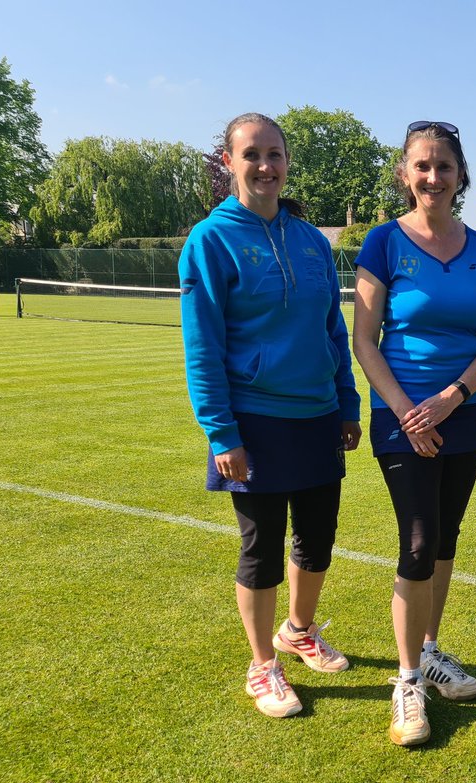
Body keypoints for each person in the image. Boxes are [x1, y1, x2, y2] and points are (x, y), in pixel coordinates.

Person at [179, 112, 361, 718]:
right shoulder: (210, 240)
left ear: (287, 162)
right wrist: (221, 431)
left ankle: (298, 631)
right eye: (251, 154)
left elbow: (332, 329)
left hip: (317, 416)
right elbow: (201, 344)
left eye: (275, 154)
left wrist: (346, 401)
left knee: (318, 539)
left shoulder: (311, 240)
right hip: (251, 419)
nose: (265, 165)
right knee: (261, 548)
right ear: (229, 162)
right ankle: (263, 665)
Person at [353, 121, 476, 747]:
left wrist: (451, 398)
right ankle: (408, 681)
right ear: (404, 174)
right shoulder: (383, 243)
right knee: (417, 542)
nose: (433, 177)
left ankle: (431, 649)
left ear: (460, 175)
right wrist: (409, 410)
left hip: (465, 410)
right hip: (402, 414)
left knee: (445, 537)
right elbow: (366, 341)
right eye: (422, 166)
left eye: (444, 166)